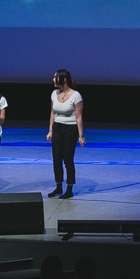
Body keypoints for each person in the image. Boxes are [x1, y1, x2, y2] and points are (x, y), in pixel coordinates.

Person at [46, 68, 84, 199]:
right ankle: (58, 186)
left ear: (64, 79)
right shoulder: (54, 94)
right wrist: (50, 130)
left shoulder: (76, 96)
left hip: (70, 129)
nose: (53, 80)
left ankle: (69, 188)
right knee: (56, 159)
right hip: (57, 128)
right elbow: (52, 113)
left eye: (55, 77)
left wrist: (81, 136)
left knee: (68, 159)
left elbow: (78, 117)